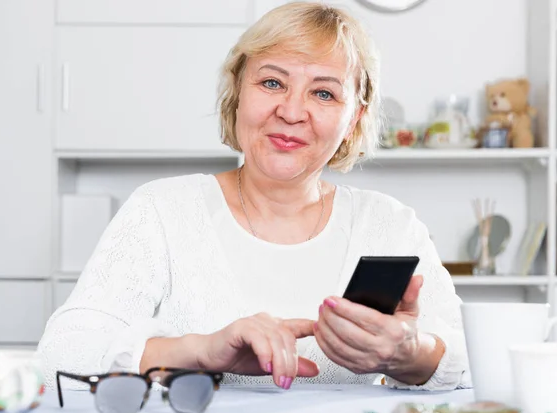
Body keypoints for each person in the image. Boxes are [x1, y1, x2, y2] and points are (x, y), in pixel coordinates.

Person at [38, 1, 470, 391]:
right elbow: (60, 357)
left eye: (323, 93)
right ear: (237, 91)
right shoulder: (162, 210)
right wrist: (201, 351)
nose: (292, 111)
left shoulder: (390, 225)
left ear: (353, 118)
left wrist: (411, 355)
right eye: (271, 82)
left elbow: (471, 363)